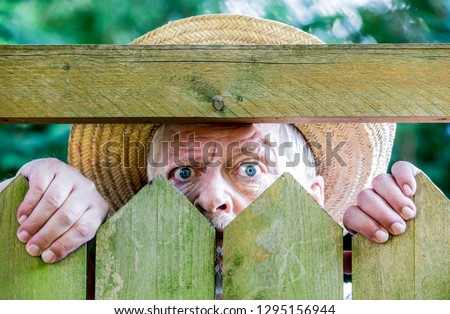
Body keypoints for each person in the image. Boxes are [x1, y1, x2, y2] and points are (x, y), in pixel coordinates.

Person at [0, 14, 421, 264]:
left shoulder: (355, 299)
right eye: (182, 171)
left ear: (312, 198)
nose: (211, 198)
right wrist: (19, 203)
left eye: (250, 168)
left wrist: (415, 243)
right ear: (145, 197)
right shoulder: (90, 296)